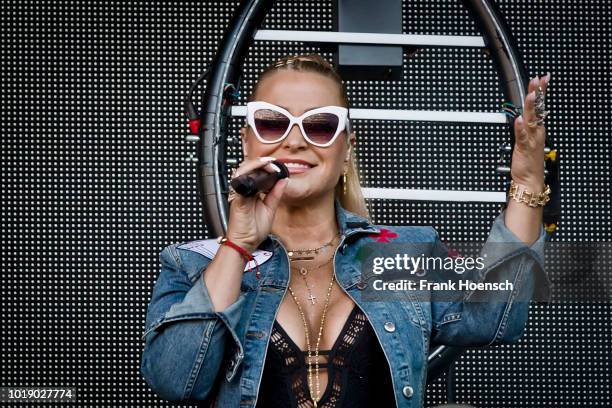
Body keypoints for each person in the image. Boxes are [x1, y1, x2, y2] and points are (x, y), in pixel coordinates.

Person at [140, 54, 552, 408]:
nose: (295, 141)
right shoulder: (195, 263)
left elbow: (500, 314)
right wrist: (238, 245)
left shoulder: (401, 255)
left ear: (346, 148)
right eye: (272, 122)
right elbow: (177, 380)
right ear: (248, 141)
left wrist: (529, 179)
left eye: (319, 125)